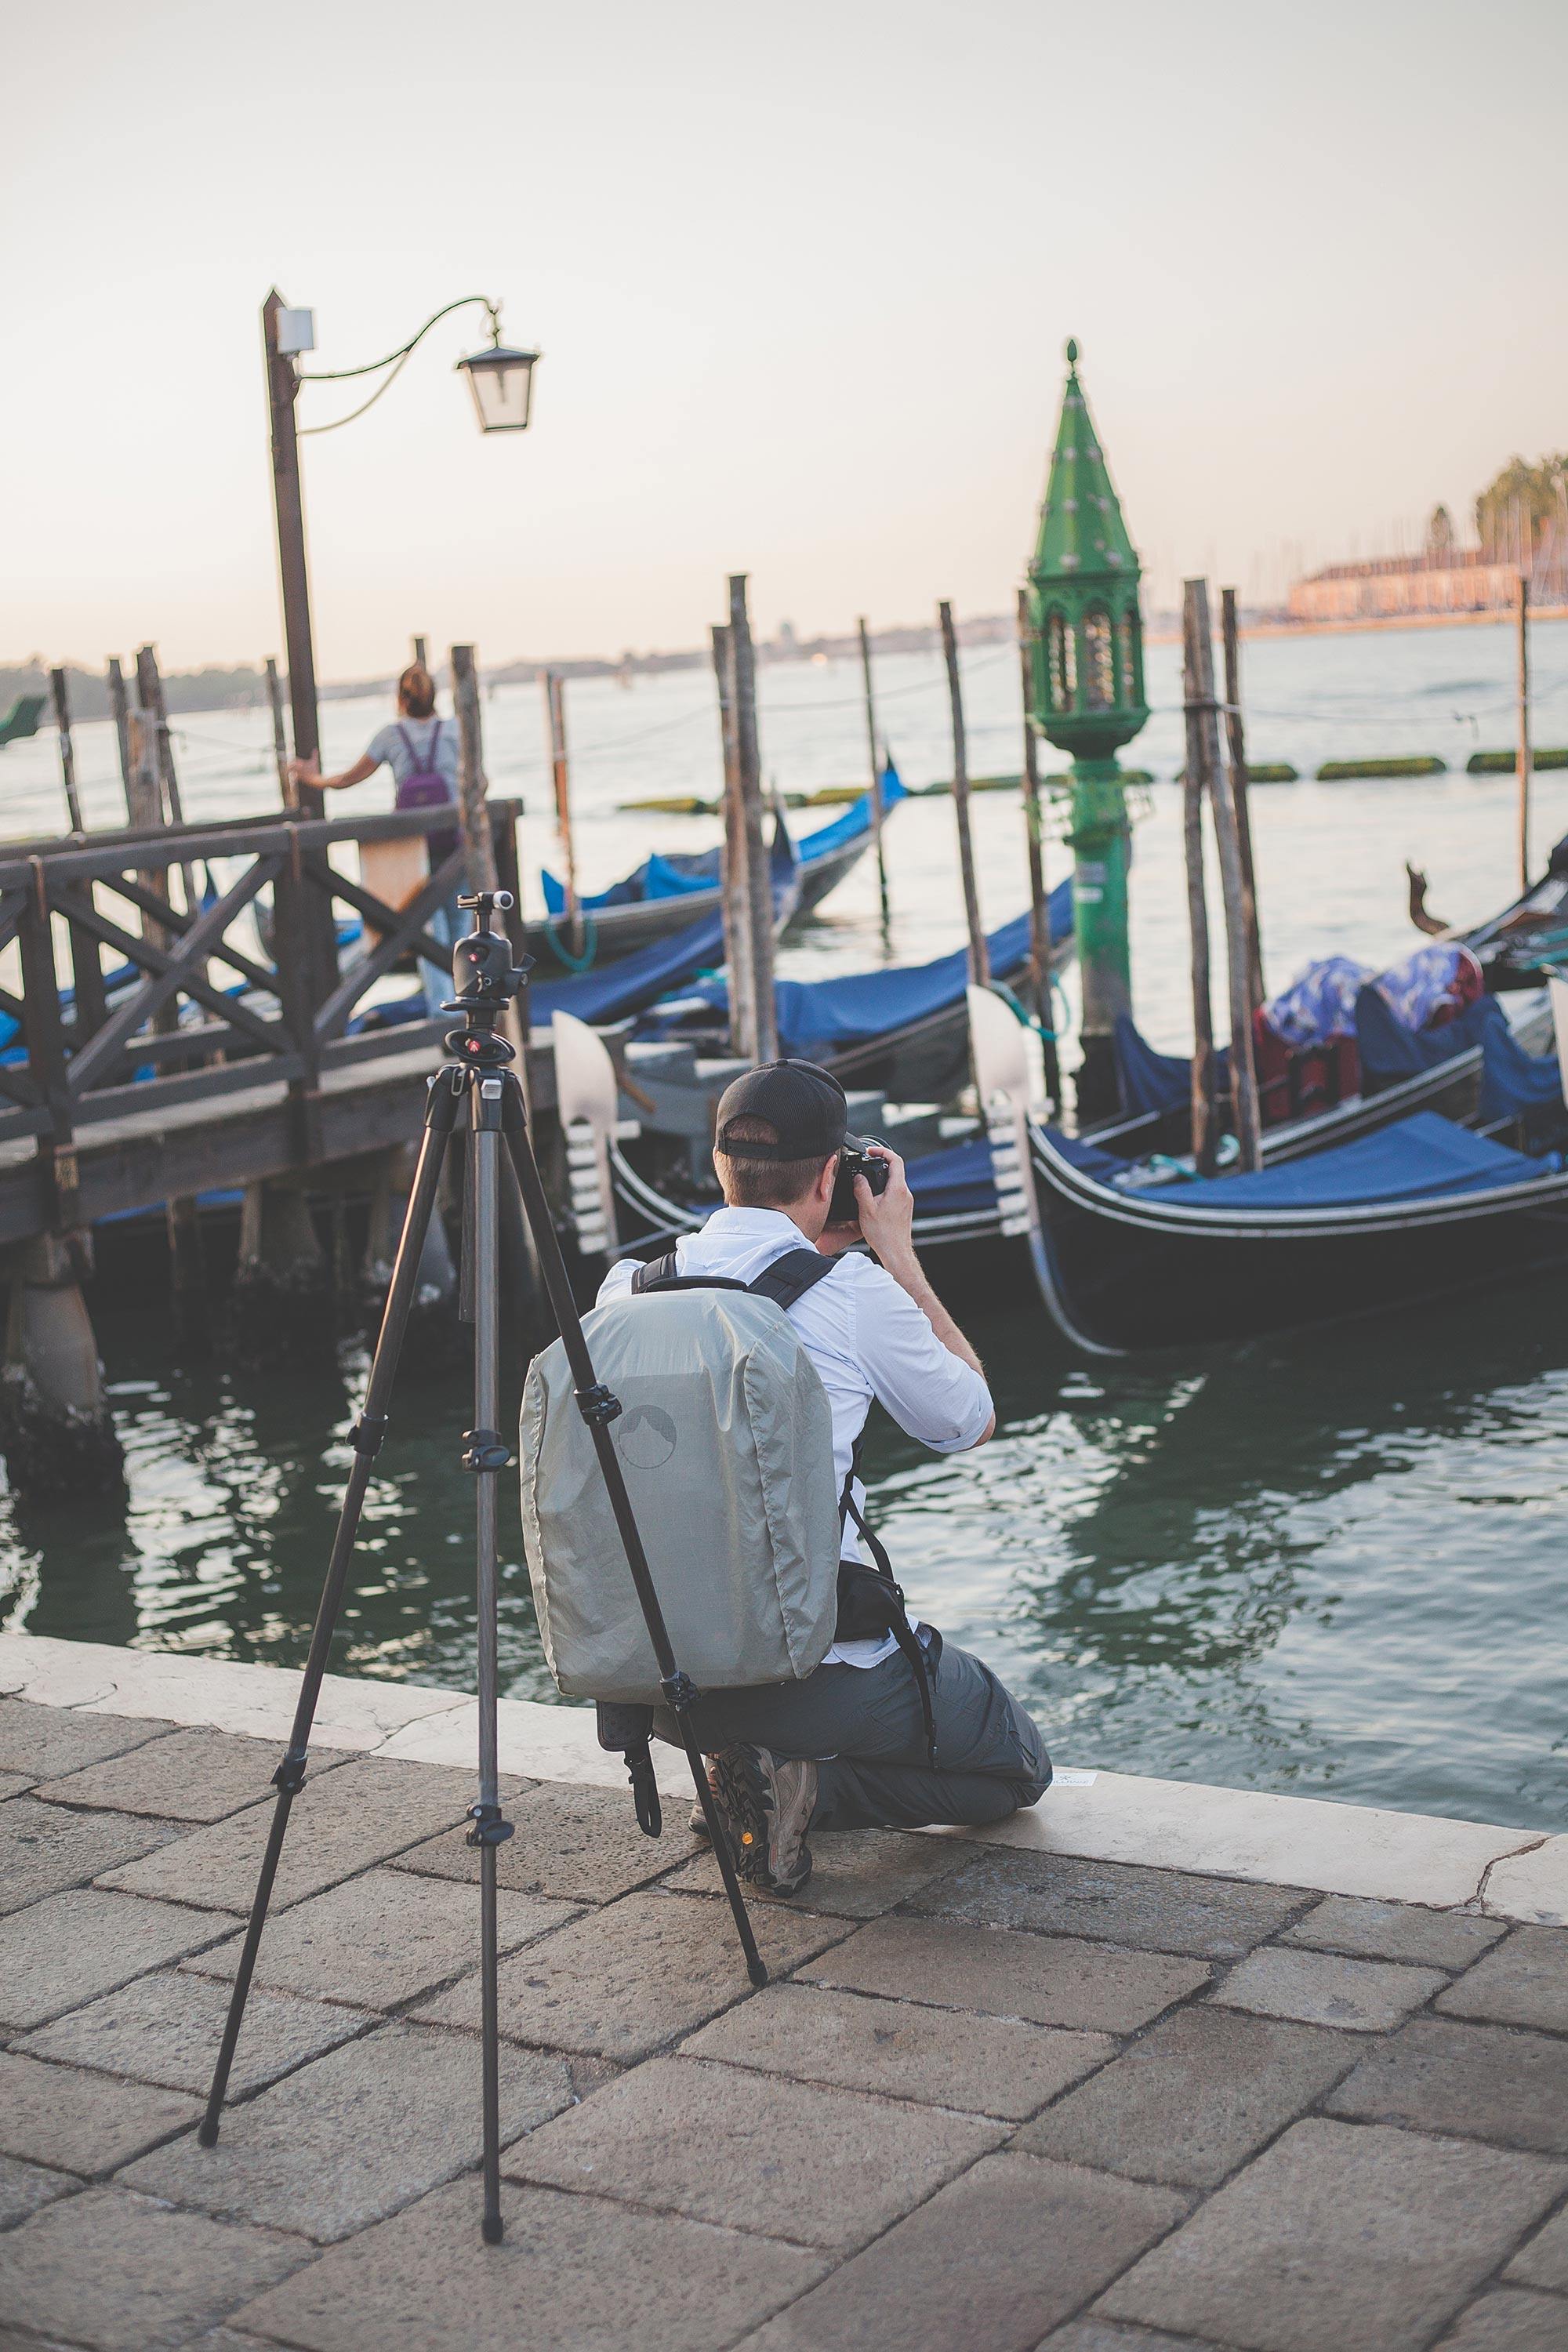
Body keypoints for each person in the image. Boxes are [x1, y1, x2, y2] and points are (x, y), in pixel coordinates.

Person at [597, 1058, 1051, 1895]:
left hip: (653, 1682)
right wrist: (896, 1255)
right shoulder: (853, 1291)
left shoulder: (624, 1290)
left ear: (718, 1168)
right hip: (799, 1679)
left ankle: (738, 1772)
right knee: (1015, 1769)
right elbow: (970, 1420)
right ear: (837, 1174)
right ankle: (799, 1788)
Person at [289, 662, 460, 1013]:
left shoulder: (391, 736)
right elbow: (479, 781)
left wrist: (311, 778)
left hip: (413, 850)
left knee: (429, 937)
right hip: (457, 843)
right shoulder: (456, 730)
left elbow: (347, 780)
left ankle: (442, 1020)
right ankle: (474, 1015)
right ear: (435, 696)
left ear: (400, 698)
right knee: (464, 933)